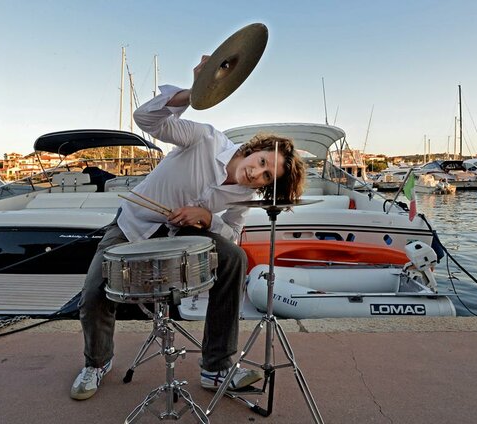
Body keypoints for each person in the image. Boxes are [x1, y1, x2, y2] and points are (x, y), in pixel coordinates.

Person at [70, 57, 306, 400]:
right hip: (135, 222)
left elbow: (232, 235)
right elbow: (146, 118)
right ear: (254, 150)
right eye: (262, 163)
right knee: (93, 294)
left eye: (268, 176)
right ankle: (96, 363)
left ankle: (217, 367)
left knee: (233, 258)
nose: (258, 174)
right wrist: (190, 94)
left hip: (181, 234)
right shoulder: (205, 140)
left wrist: (208, 219)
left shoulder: (244, 196)